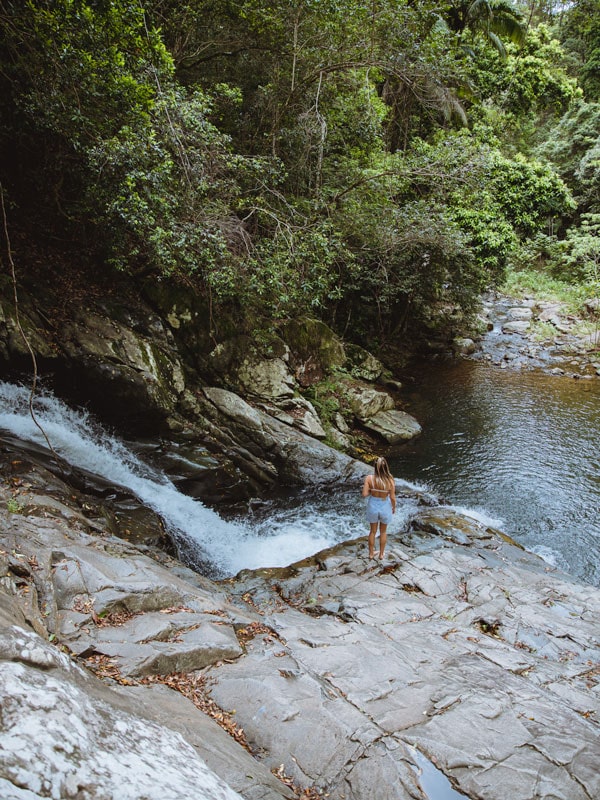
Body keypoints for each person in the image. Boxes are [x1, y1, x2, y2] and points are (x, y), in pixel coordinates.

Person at [362, 457, 396, 559]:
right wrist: (393, 507)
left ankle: (371, 554)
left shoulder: (369, 478)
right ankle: (381, 554)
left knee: (372, 531)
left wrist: (371, 491)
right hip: (385, 504)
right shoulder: (390, 480)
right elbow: (392, 497)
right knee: (383, 532)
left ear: (375, 467)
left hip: (373, 504)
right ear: (386, 467)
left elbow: (364, 494)